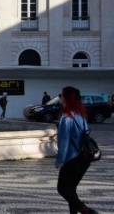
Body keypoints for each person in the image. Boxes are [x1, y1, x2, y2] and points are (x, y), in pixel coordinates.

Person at [56, 86, 99, 214]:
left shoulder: (66, 117)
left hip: (72, 158)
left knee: (62, 189)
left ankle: (87, 211)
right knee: (71, 189)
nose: (60, 97)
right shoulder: (81, 115)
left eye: (62, 95)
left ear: (67, 98)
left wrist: (59, 161)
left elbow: (63, 142)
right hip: (85, 158)